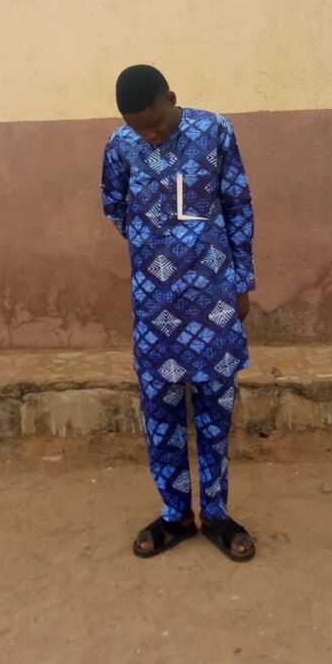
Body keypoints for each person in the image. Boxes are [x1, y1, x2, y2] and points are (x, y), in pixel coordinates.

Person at [101, 64, 256, 562]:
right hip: (155, 307)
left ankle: (215, 514)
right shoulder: (120, 146)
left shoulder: (215, 130)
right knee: (161, 415)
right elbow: (114, 205)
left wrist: (240, 282)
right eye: (137, 126)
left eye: (155, 123)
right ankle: (175, 515)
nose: (149, 134)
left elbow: (238, 205)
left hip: (214, 299)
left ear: (171, 98)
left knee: (214, 416)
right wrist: (158, 246)